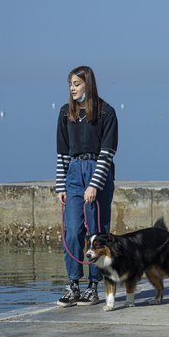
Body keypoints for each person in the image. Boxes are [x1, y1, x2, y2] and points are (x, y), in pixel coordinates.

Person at [55, 65, 118, 307]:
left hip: (97, 172)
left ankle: (94, 286)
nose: (72, 88)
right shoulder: (64, 113)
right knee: (72, 230)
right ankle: (73, 284)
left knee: (96, 232)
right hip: (72, 174)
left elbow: (108, 152)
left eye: (77, 84)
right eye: (70, 84)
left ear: (88, 85)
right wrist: (61, 186)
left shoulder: (106, 112)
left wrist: (94, 184)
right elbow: (61, 152)